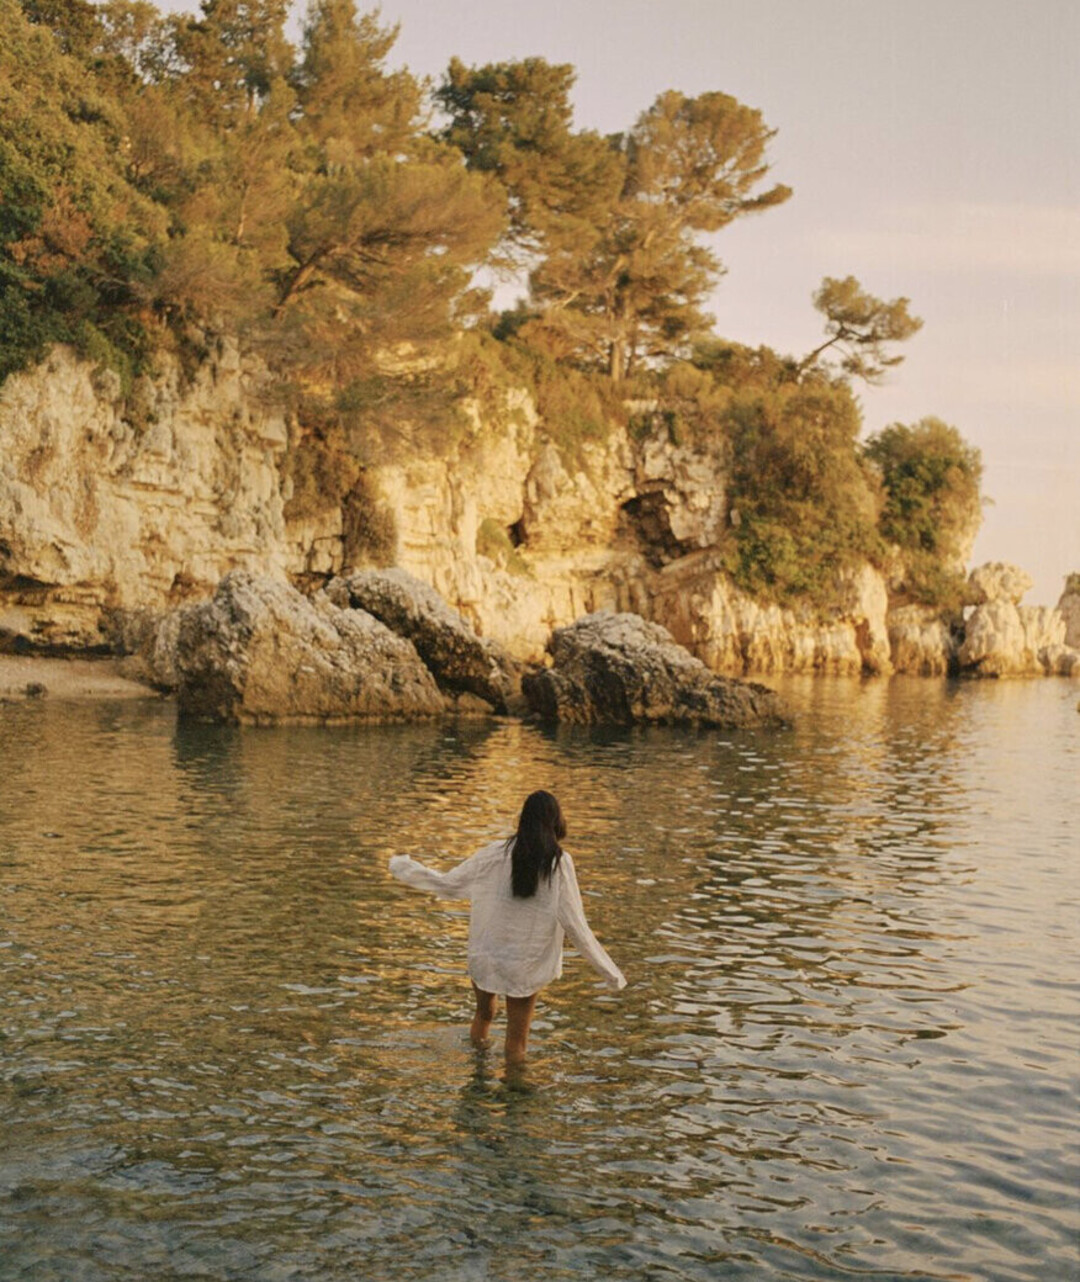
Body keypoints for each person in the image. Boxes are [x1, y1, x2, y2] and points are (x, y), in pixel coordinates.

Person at [388, 790, 626, 1064]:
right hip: (524, 963)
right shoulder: (558, 863)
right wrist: (611, 974)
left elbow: (449, 884)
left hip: (488, 954)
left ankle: (478, 1073)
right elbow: (575, 925)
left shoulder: (494, 853)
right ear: (556, 822)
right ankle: (513, 1089)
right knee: (517, 1041)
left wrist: (403, 867)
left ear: (523, 820)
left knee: (483, 1016)